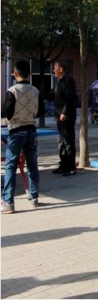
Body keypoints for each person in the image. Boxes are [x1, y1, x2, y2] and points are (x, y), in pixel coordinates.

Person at [1, 60, 46, 213]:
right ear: (30, 74)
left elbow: (6, 112)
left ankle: (8, 201)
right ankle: (34, 197)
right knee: (32, 165)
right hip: (31, 131)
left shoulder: (12, 91)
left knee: (11, 166)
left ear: (15, 74)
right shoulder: (35, 91)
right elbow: (41, 111)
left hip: (16, 131)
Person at [46, 61, 78, 176]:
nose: (53, 70)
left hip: (66, 117)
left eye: (55, 68)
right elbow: (52, 95)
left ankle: (71, 167)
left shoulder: (69, 81)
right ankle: (63, 165)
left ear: (60, 69)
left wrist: (64, 113)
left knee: (68, 142)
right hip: (58, 117)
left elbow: (69, 99)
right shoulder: (58, 83)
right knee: (61, 142)